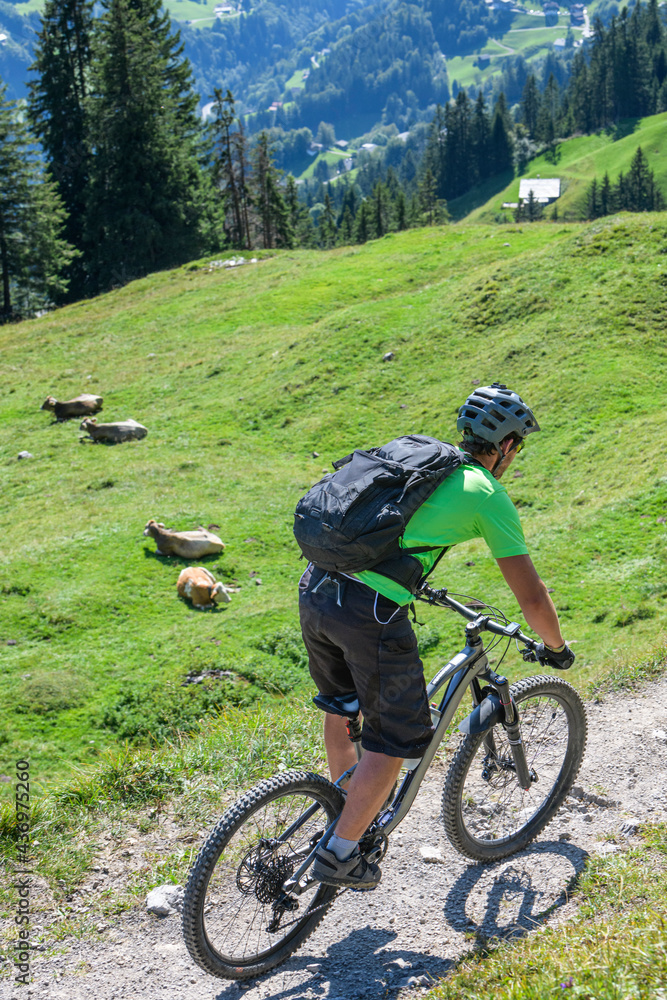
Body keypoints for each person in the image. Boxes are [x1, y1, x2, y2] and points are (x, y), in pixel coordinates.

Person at [298, 383, 575, 890]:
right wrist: (556, 648)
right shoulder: (486, 492)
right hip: (371, 611)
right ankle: (339, 854)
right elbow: (532, 598)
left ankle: (344, 812)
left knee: (342, 708)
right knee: (394, 742)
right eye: (518, 447)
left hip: (317, 585)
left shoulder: (419, 454)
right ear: (508, 446)